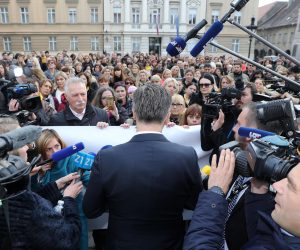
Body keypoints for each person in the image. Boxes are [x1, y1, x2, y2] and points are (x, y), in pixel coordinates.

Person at [83, 83, 202, 250]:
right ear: (168, 114)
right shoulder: (186, 156)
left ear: (134, 112)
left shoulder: (107, 158)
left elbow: (91, 209)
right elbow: (195, 203)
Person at [0, 117, 83, 250]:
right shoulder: (26, 204)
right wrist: (69, 199)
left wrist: (56, 185)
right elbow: (68, 237)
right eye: (22, 143)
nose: (28, 146)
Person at [34, 128, 90, 250]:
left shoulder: (72, 157)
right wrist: (40, 174)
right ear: (41, 151)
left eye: (57, 146)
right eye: (49, 149)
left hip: (75, 214)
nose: (55, 151)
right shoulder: (36, 166)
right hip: (49, 221)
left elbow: (88, 178)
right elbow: (33, 195)